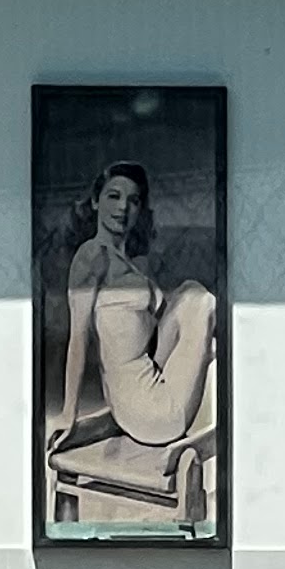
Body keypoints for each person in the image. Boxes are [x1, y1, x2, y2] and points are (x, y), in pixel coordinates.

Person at [49, 161, 219, 468]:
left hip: (149, 390)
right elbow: (78, 338)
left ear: (140, 209)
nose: (123, 207)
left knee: (189, 294)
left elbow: (163, 335)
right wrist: (68, 413)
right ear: (95, 201)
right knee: (201, 300)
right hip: (146, 409)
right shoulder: (92, 256)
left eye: (133, 200)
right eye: (113, 196)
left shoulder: (131, 265)